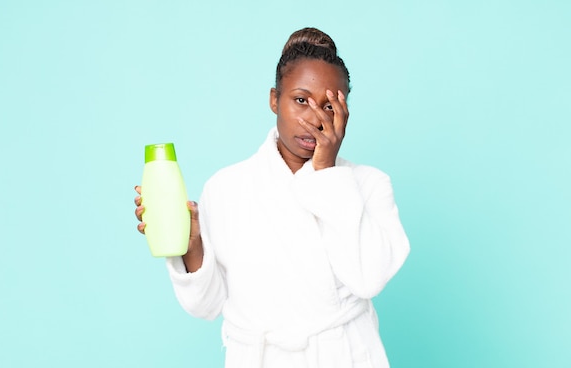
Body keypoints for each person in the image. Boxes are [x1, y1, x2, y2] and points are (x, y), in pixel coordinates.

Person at [134, 27, 410, 368]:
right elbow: (205, 307)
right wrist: (192, 247)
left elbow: (368, 279)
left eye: (329, 105)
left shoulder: (369, 185)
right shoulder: (225, 188)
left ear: (345, 112)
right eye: (300, 100)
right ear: (273, 99)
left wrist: (326, 173)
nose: (315, 118)